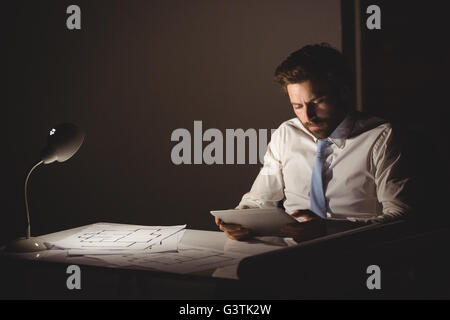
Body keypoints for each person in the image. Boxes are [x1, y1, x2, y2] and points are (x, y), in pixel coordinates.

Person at [215, 43, 410, 242]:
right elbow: (259, 199)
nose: (308, 116)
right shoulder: (286, 133)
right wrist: (243, 218)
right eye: (297, 106)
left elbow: (401, 219)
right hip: (290, 256)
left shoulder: (381, 137)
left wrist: (328, 230)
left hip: (357, 254)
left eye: (317, 102)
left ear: (343, 92)